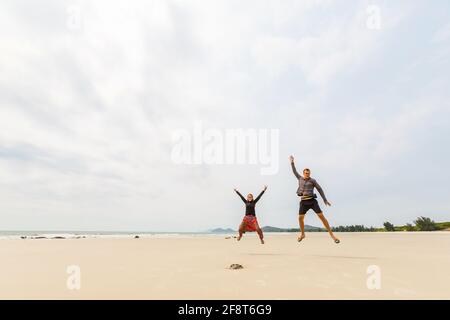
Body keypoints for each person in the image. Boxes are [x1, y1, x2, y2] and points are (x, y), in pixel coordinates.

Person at [289, 155, 340, 244]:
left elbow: (320, 189)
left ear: (310, 174)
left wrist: (324, 199)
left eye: (308, 173)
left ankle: (332, 235)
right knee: (300, 218)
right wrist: (292, 162)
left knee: (322, 217)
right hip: (303, 202)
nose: (307, 174)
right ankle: (302, 234)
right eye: (306, 173)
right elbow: (294, 171)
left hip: (312, 201)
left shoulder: (313, 181)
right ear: (303, 173)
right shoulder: (300, 178)